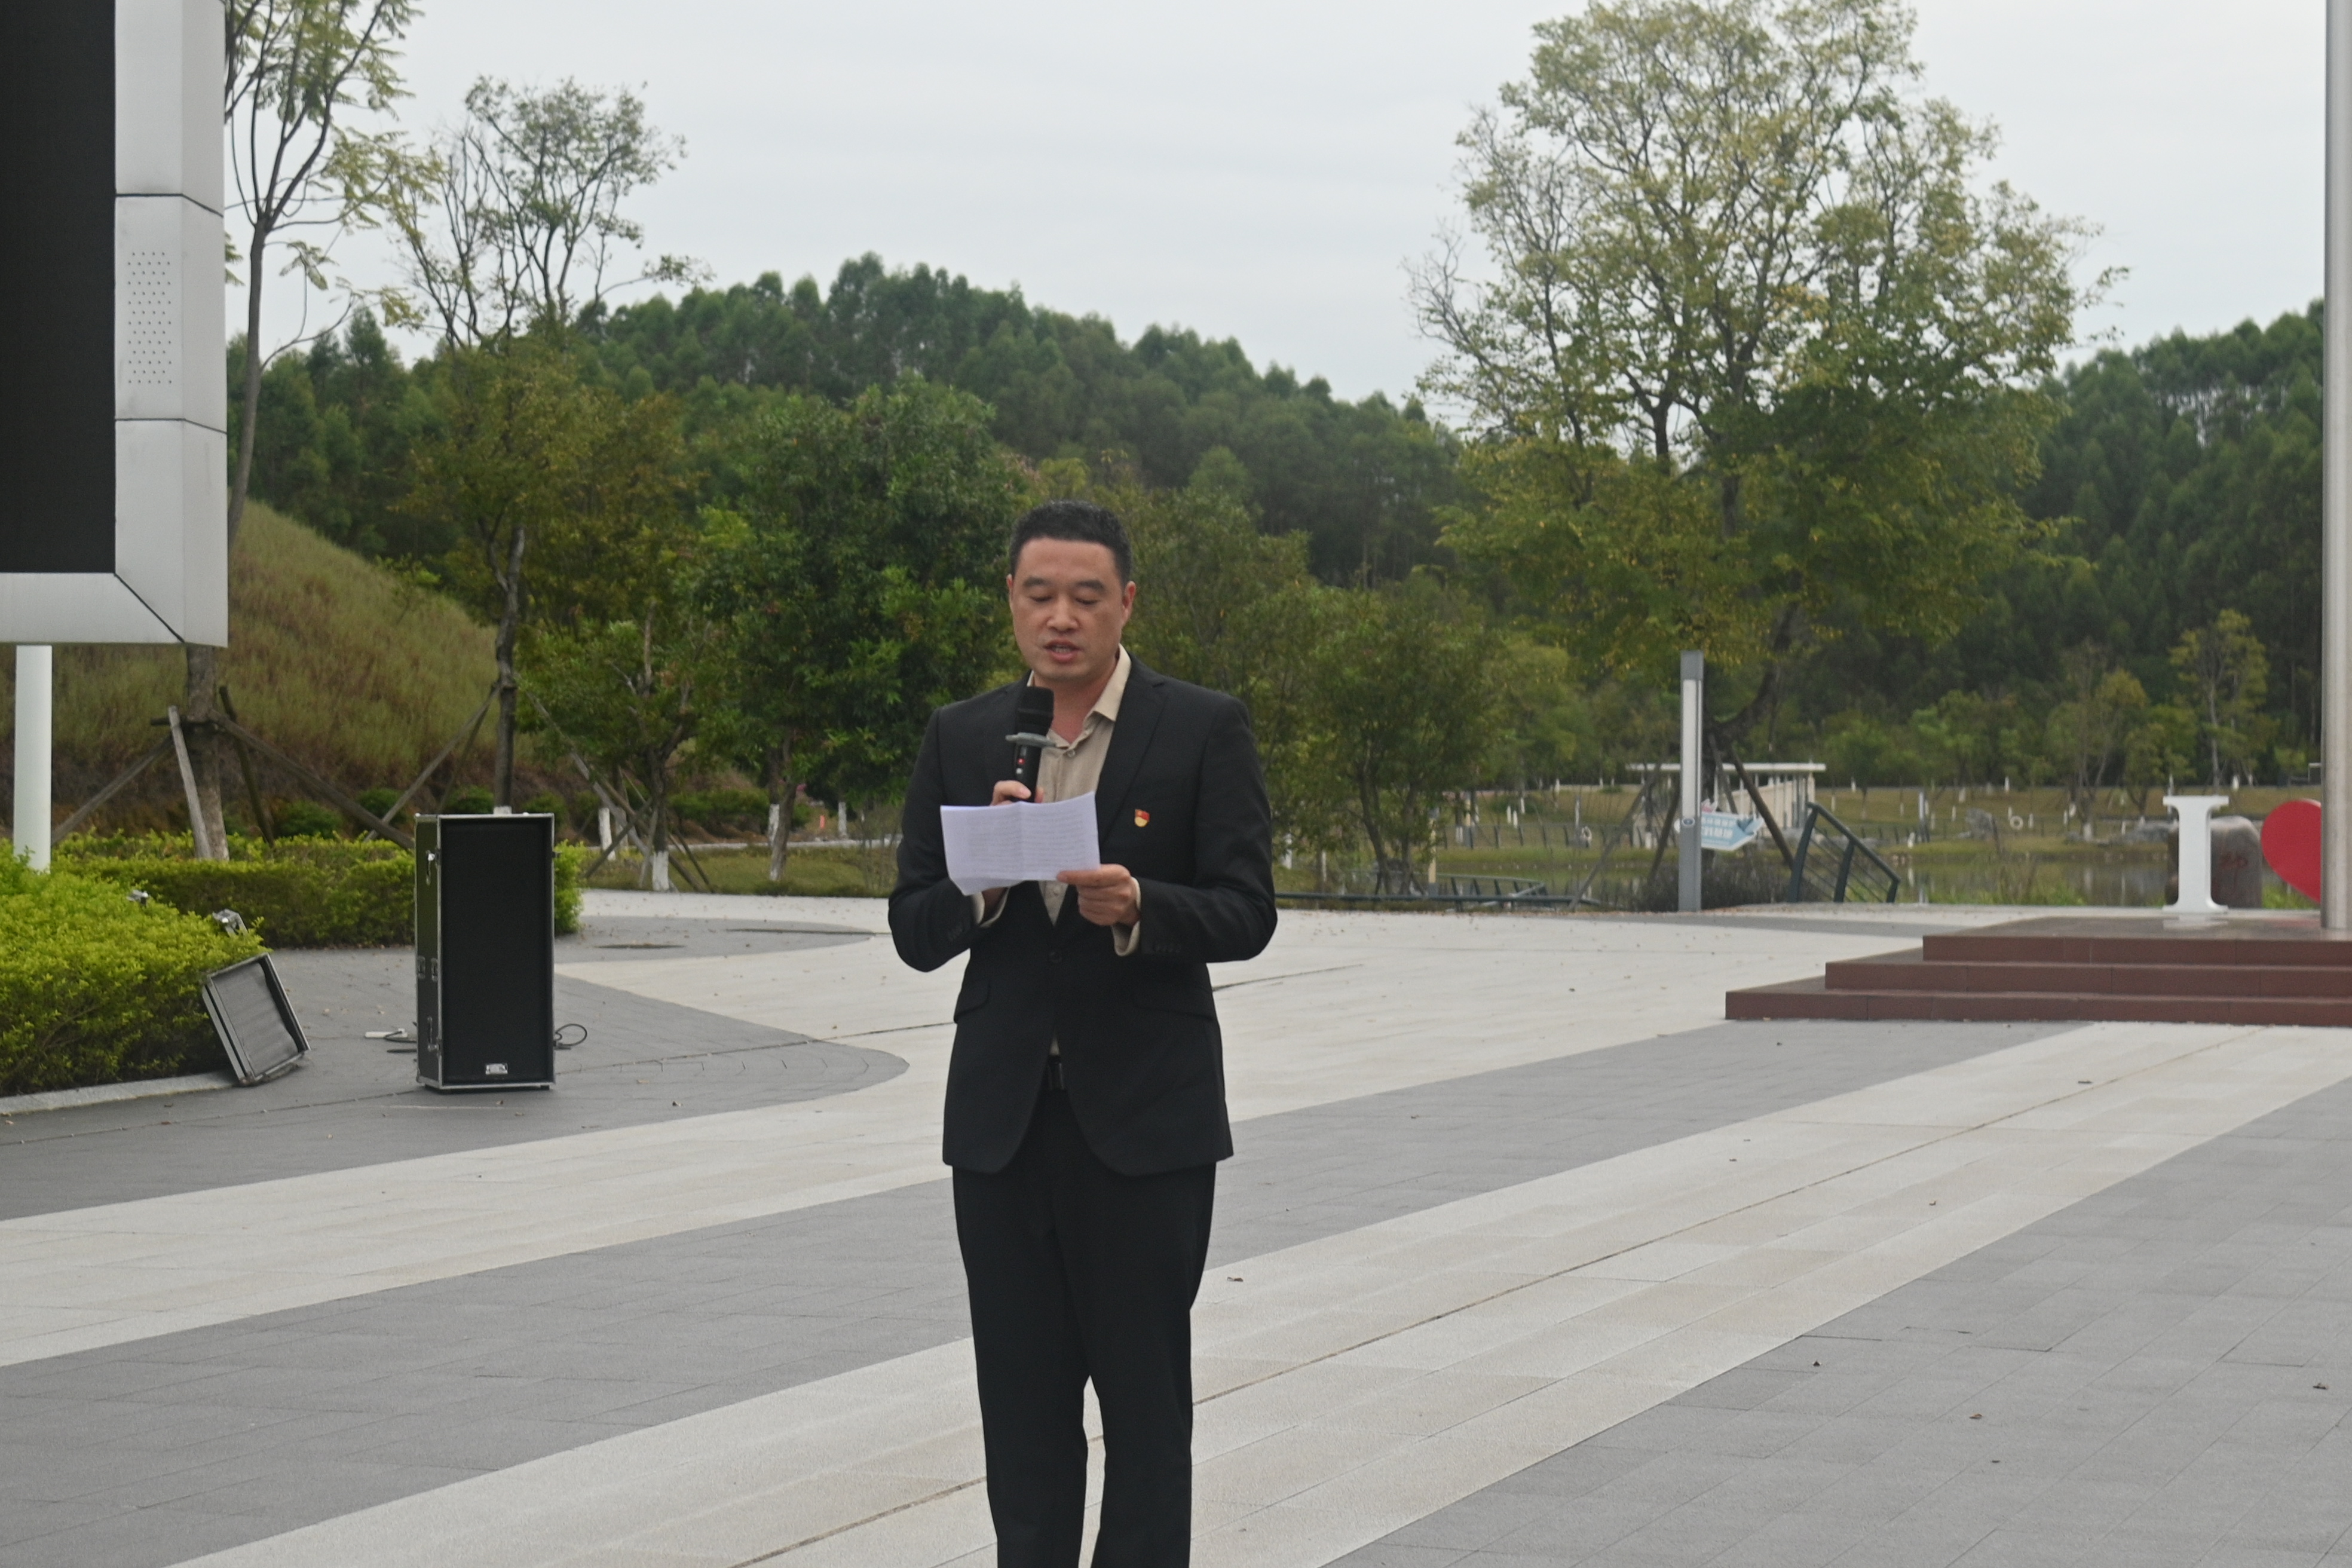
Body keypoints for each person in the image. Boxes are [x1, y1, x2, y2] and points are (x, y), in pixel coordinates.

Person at [890, 499, 1277, 1567]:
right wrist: (981, 887)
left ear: (1126, 603)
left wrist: (1144, 906)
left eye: (1086, 596)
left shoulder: (1201, 727)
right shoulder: (964, 735)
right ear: (1012, 601)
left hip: (1145, 1126)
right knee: (1020, 1409)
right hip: (1003, 1128)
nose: (1061, 618)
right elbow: (913, 927)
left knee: (1146, 1410)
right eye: (1040, 595)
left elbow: (1248, 910)